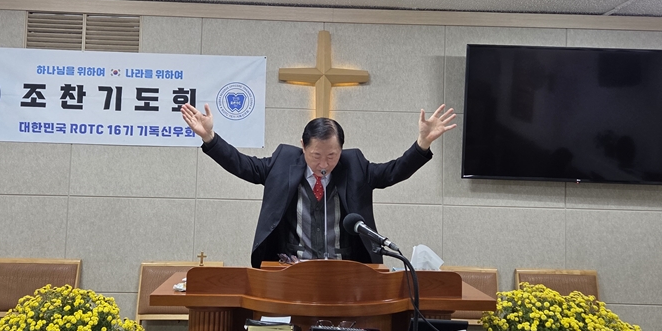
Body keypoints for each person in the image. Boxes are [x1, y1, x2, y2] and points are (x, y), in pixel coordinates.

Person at [181, 103, 456, 267]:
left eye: (332, 155)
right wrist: (210, 138)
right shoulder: (283, 161)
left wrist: (422, 144)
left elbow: (392, 172)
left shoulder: (355, 165)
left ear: (342, 150)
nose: (323, 163)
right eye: (316, 155)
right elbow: (242, 165)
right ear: (302, 146)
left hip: (346, 270)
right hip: (291, 268)